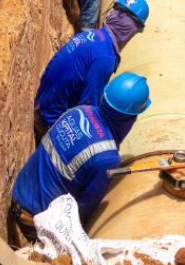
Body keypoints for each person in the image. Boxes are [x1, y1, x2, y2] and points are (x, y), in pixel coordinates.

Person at [11, 72, 152, 242]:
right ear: (131, 118)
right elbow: (83, 209)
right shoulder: (107, 157)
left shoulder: (78, 111)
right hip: (36, 219)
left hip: (19, 192)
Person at [33, 0, 149, 143]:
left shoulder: (92, 35)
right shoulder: (105, 58)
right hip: (50, 122)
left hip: (44, 104)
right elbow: (87, 110)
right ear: (133, 30)